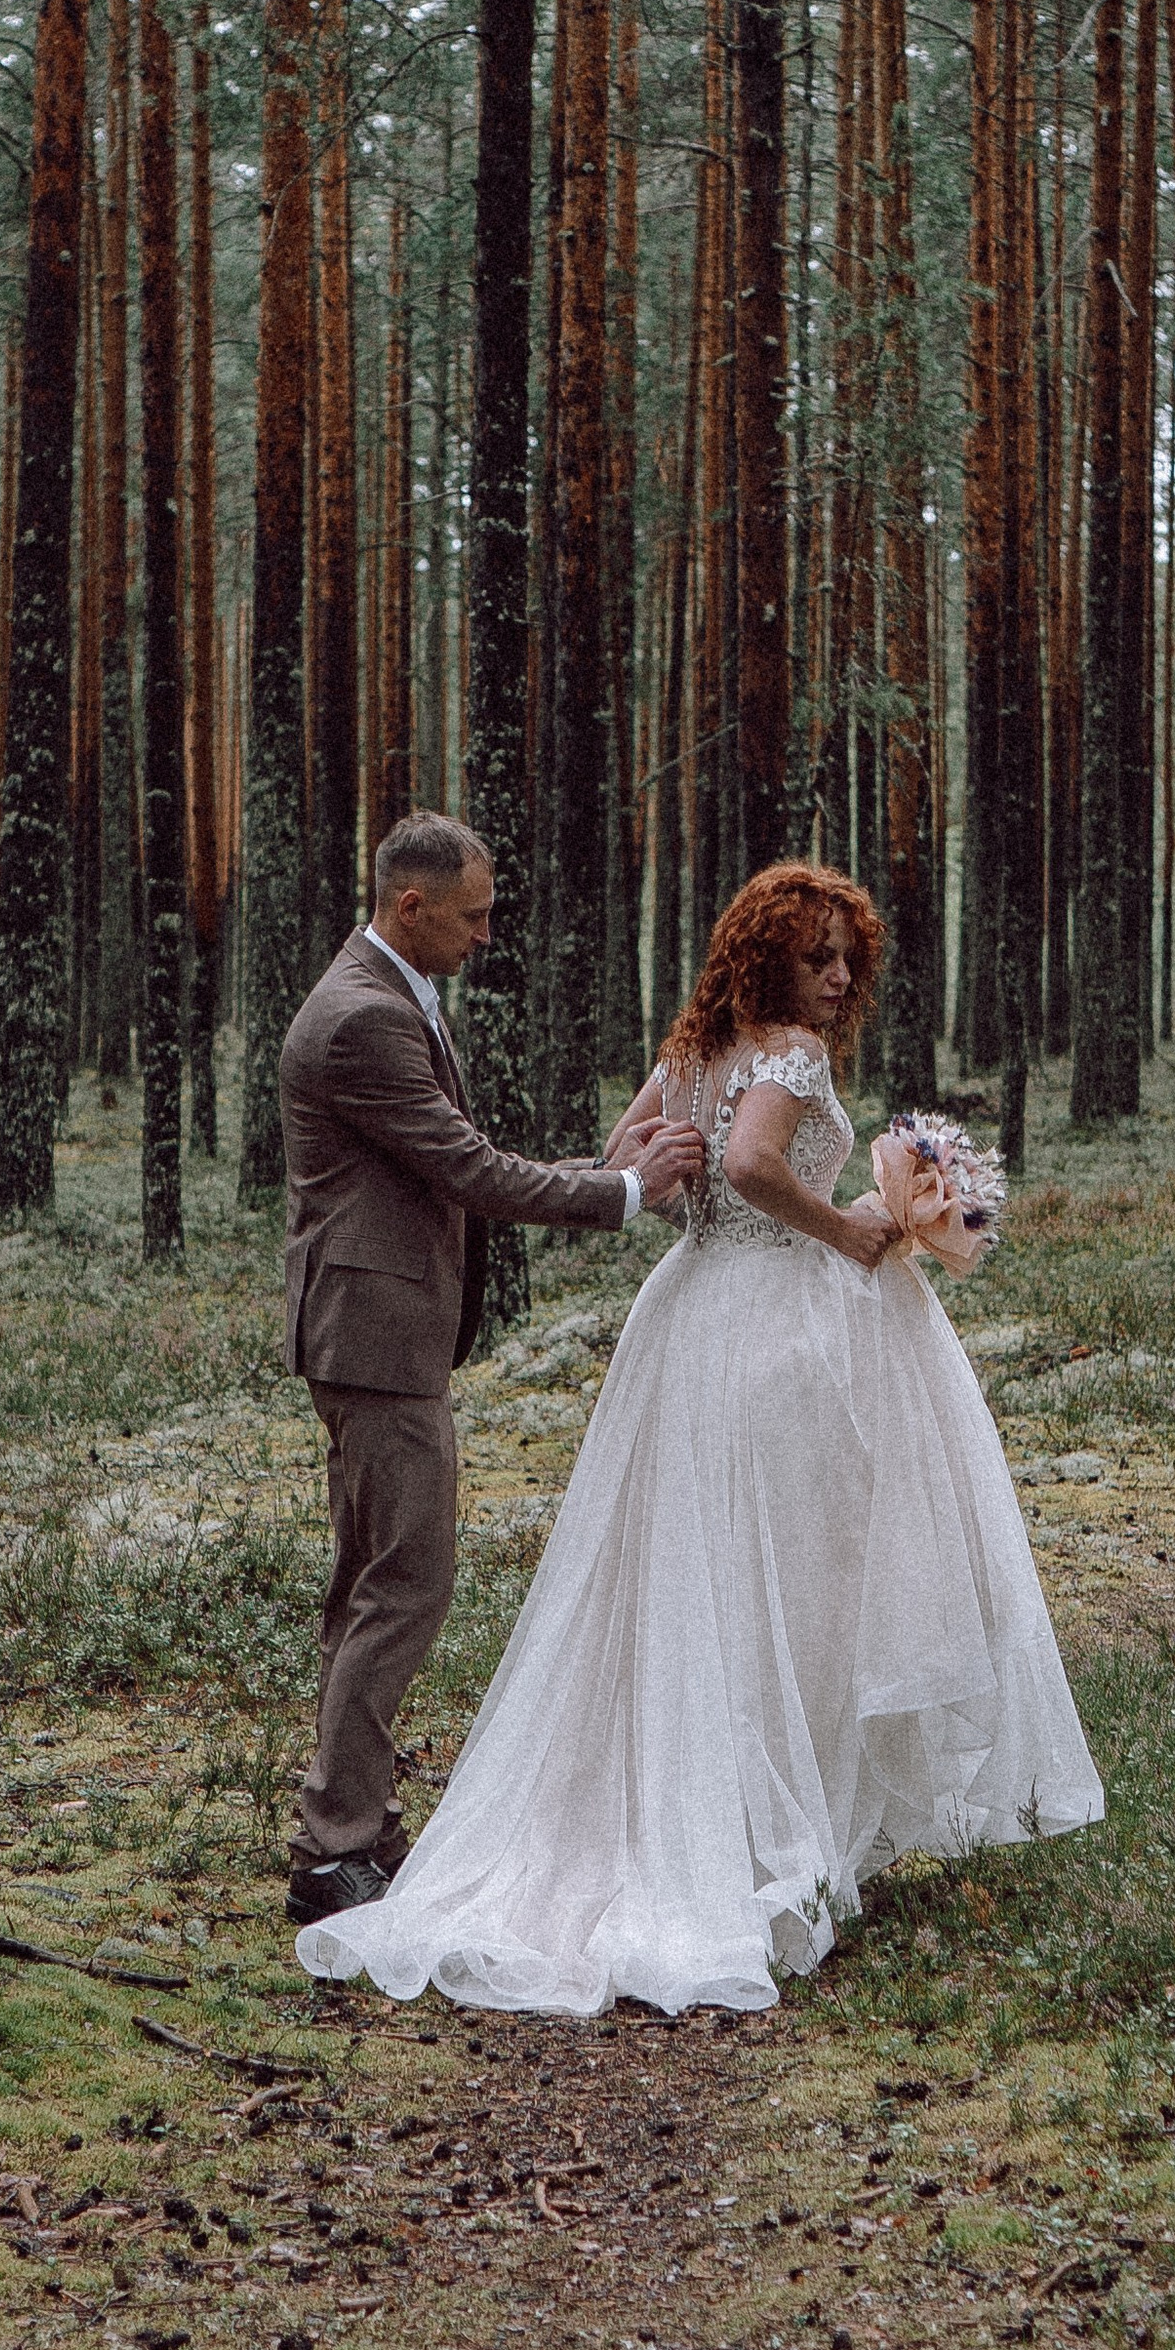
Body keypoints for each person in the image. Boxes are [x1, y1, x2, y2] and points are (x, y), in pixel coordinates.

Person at [293, 861, 1103, 2015]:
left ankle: (722, 1803)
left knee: (699, 1575)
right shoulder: (788, 1057)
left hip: (688, 1317)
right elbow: (746, 1164)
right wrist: (847, 1231)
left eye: (845, 959)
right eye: (814, 957)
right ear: (768, 957)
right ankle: (760, 1825)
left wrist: (679, 1192)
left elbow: (637, 1155)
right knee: (789, 1578)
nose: (834, 980)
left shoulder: (690, 1052)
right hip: (773, 1331)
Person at [277, 811, 706, 1928]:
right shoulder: (362, 1018)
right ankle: (333, 1850)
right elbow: (461, 1165)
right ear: (409, 906)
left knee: (373, 1580)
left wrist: (592, 1170)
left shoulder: (385, 995)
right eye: (469, 917)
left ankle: (351, 1819)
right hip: (373, 1341)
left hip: (374, 1333)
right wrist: (618, 1193)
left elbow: (444, 1159)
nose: (483, 937)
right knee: (405, 1583)